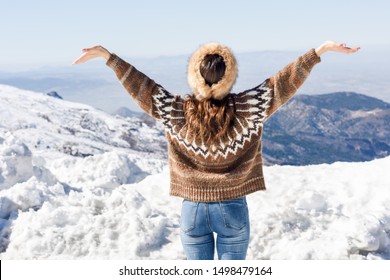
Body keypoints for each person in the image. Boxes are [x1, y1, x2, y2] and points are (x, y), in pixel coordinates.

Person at [73, 41, 360, 260]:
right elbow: (283, 82)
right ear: (228, 77)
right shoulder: (250, 108)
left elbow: (141, 86)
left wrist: (108, 57)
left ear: (194, 76)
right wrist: (320, 51)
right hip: (233, 207)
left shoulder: (175, 111)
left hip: (192, 209)